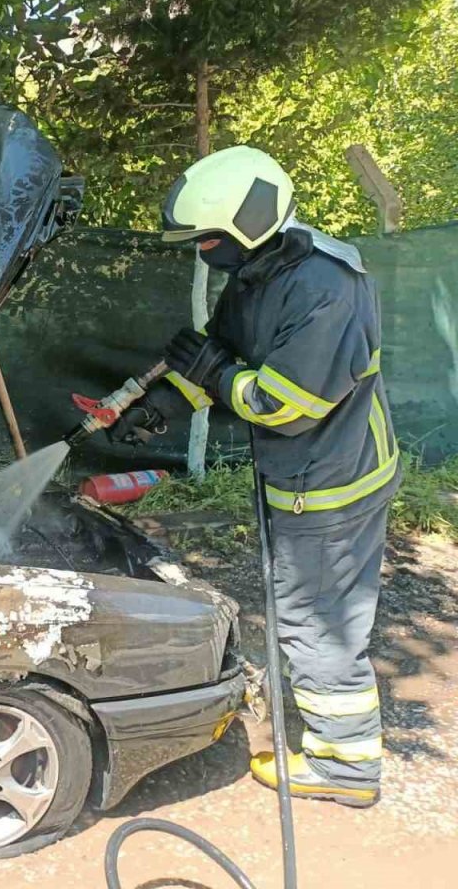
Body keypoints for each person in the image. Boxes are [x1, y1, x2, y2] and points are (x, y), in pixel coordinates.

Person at [113, 147, 398, 808]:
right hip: (304, 473)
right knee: (309, 610)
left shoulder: (323, 288)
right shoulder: (260, 272)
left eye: (210, 237)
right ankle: (333, 737)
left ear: (248, 225)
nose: (204, 249)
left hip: (331, 481)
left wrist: (216, 375)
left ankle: (345, 767)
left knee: (314, 619)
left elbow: (284, 404)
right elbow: (221, 353)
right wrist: (160, 408)